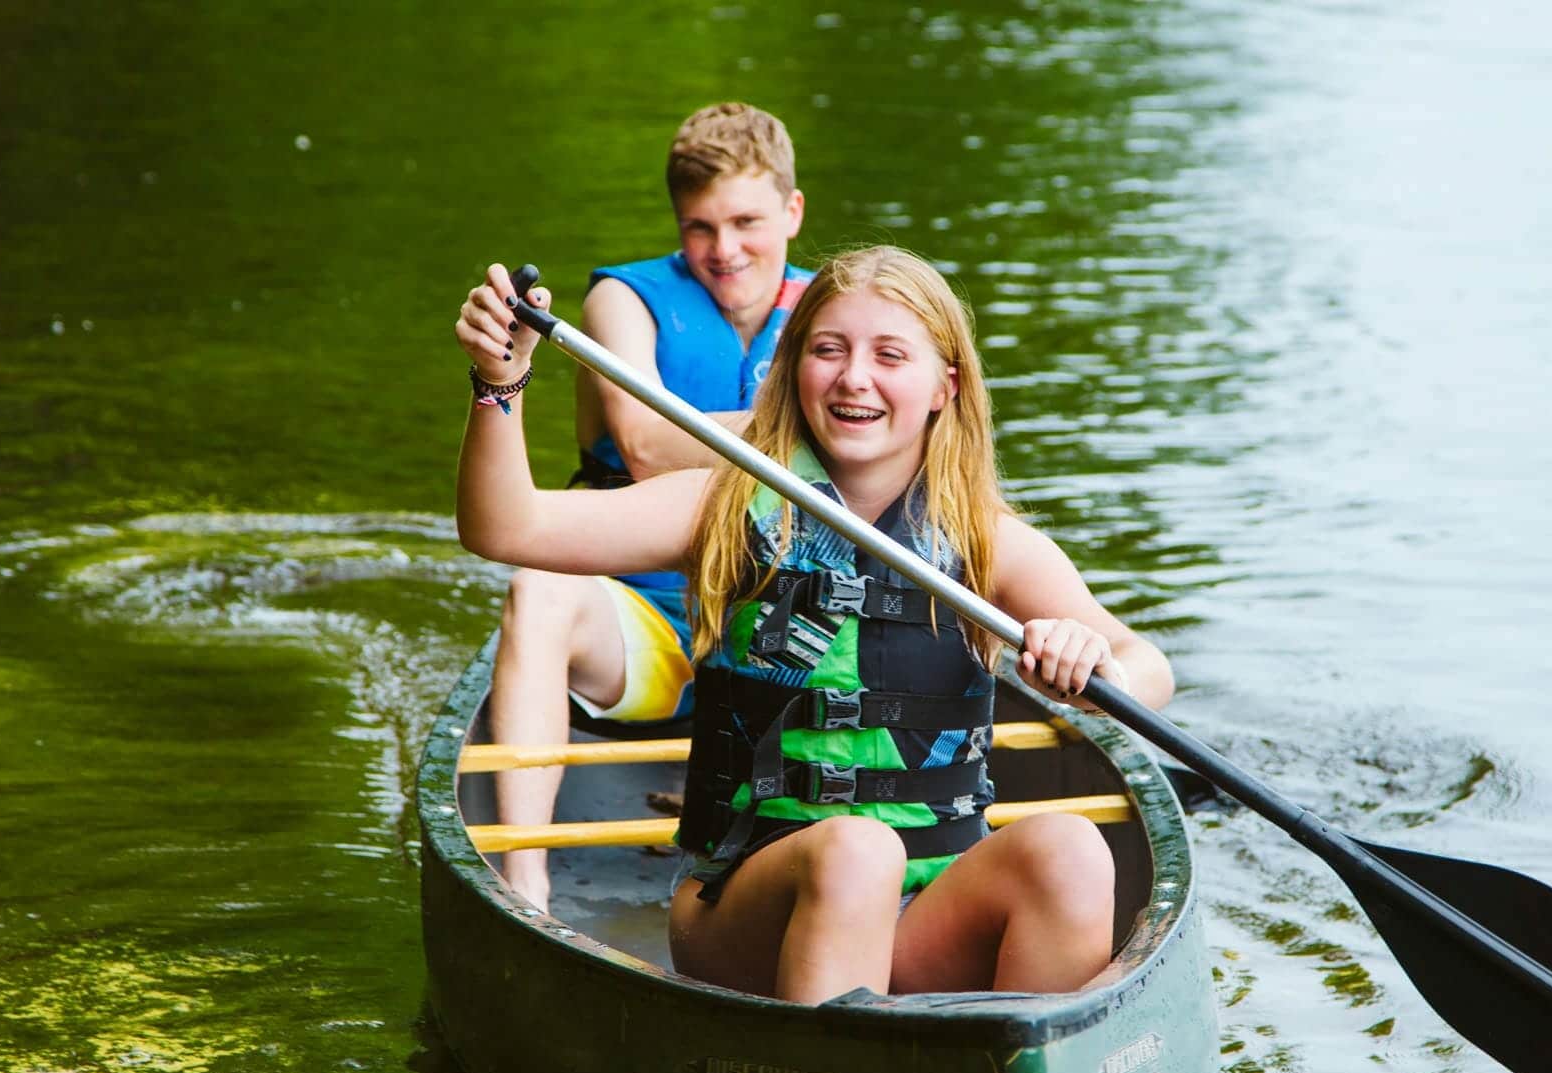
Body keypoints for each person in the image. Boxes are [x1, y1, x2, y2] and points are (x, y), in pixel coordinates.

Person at [454, 245, 1175, 1004]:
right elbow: (508, 527)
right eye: (829, 350)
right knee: (858, 853)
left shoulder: (987, 541)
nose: (854, 377)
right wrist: (500, 383)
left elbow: (1146, 665)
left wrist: (1100, 668)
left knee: (1074, 851)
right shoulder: (723, 503)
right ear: (795, 369)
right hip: (748, 909)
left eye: (889, 355)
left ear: (944, 386)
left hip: (924, 916)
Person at [484, 102, 813, 912]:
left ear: (793, 212)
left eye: (746, 222)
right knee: (539, 588)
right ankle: (526, 883)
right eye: (700, 228)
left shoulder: (836, 316)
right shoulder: (622, 304)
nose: (724, 251)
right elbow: (647, 444)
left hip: (793, 637)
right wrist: (812, 424)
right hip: (649, 621)